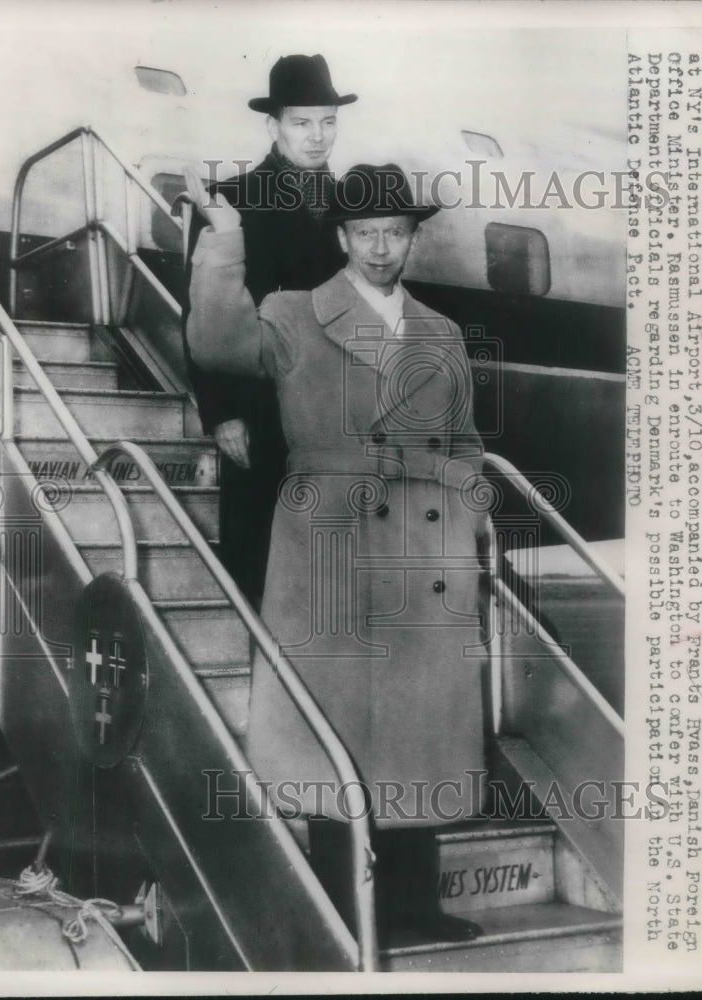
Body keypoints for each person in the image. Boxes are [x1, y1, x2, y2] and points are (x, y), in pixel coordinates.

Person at [185, 162, 488, 945]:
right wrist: (222, 242)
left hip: (426, 543)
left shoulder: (442, 332)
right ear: (340, 237)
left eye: (394, 233)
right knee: (332, 717)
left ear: (412, 238)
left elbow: (463, 442)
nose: (380, 247)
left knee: (423, 723)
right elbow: (217, 345)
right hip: (328, 533)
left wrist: (469, 517)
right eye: (364, 233)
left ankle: (414, 905)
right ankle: (336, 903)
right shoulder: (291, 314)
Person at [182, 54, 356, 607]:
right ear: (273, 126)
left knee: (328, 574)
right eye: (303, 122)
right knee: (257, 561)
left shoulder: (353, 205)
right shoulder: (233, 199)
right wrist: (223, 412)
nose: (318, 136)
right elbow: (205, 315)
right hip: (260, 411)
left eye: (328, 121)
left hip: (334, 414)